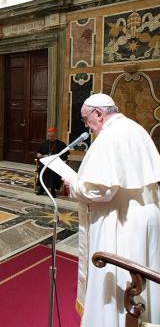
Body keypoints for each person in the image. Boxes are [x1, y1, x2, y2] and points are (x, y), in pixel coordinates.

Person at [63, 93, 160, 327]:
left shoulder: (109, 136)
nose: (88, 126)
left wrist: (73, 185)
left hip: (120, 222)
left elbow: (102, 190)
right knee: (144, 275)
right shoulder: (135, 128)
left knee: (118, 282)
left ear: (99, 113)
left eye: (87, 120)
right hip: (147, 215)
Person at [35, 128, 68, 198]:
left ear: (55, 136)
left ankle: (53, 189)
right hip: (45, 163)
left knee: (52, 171)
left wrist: (59, 159)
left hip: (56, 164)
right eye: (49, 136)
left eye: (52, 136)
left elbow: (65, 156)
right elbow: (38, 153)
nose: (51, 137)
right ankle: (42, 188)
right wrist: (39, 155)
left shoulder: (61, 144)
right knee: (42, 169)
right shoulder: (44, 143)